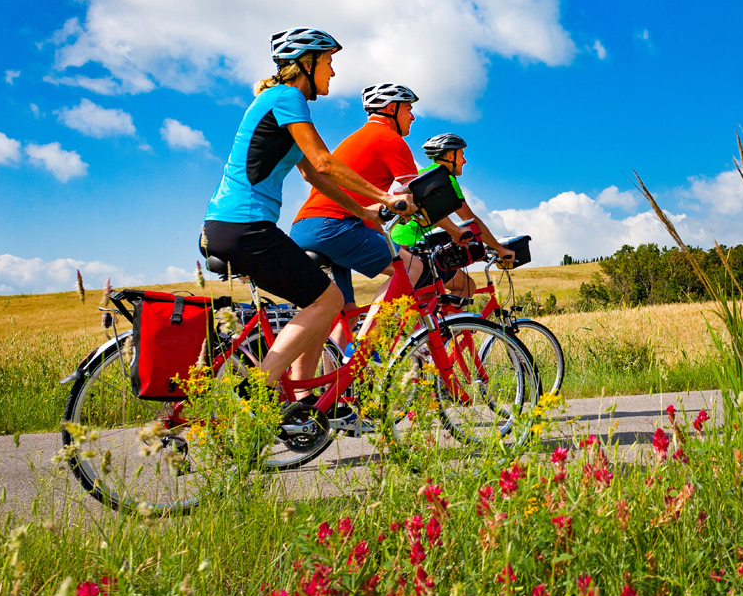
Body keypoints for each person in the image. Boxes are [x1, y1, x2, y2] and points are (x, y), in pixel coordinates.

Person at [199, 28, 411, 393]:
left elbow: (314, 175)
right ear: (305, 64)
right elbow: (325, 162)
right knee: (328, 301)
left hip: (232, 226)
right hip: (245, 225)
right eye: (328, 63)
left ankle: (300, 398)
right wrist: (388, 197)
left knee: (317, 303)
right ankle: (260, 388)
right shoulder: (286, 97)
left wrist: (364, 210)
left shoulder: (277, 103)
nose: (333, 72)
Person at [291, 82, 425, 307]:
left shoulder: (355, 139)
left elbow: (365, 211)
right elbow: (417, 195)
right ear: (391, 108)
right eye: (408, 109)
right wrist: (454, 229)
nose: (412, 117)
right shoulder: (391, 139)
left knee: (346, 312)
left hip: (304, 228)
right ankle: (373, 340)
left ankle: (341, 343)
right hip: (334, 227)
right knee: (412, 267)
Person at [391, 133, 514, 297]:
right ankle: (448, 324)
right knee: (467, 286)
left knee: (429, 297)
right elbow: (470, 219)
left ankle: (428, 323)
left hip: (397, 243)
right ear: (450, 155)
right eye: (462, 155)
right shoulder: (443, 179)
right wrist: (499, 249)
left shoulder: (424, 174)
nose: (464, 161)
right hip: (413, 245)